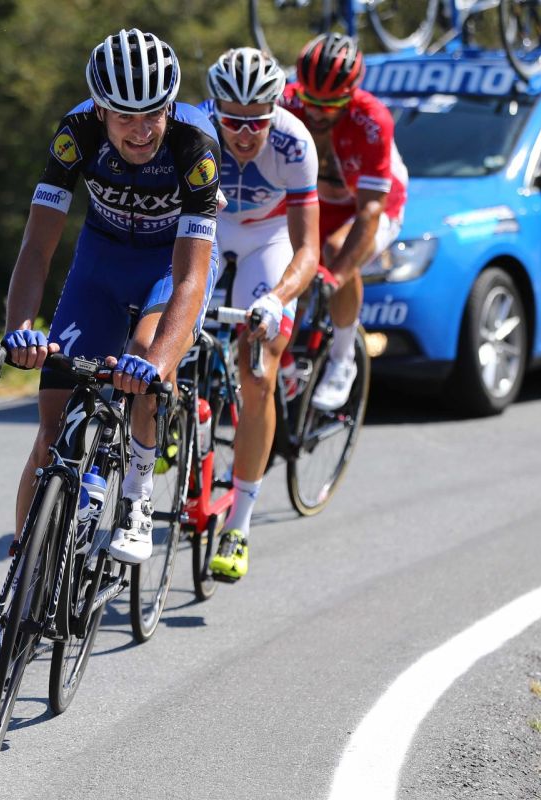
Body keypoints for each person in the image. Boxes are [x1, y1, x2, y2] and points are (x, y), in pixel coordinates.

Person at [0, 28, 222, 680]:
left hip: (168, 269)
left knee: (141, 360)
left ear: (170, 106)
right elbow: (37, 247)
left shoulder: (195, 146)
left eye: (153, 114)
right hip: (100, 266)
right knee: (51, 429)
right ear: (100, 109)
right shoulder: (76, 133)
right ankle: (15, 605)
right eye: (125, 117)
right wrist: (22, 329)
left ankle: (136, 490)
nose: (141, 130)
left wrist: (159, 362)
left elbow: (192, 280)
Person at [198, 47, 320, 582]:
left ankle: (240, 526)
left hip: (269, 236)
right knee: (168, 328)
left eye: (257, 121)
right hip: (209, 226)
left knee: (259, 370)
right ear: (214, 109)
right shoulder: (193, 128)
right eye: (233, 121)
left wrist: (276, 297)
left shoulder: (295, 142)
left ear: (275, 110)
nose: (245, 134)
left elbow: (308, 249)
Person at [280, 32, 407, 411]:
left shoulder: (373, 120)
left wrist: (334, 278)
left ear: (350, 95)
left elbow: (370, 212)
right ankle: (282, 364)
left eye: (332, 103)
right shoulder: (285, 102)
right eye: (311, 100)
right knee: (287, 272)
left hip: (371, 206)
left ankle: (342, 359)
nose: (318, 112)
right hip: (318, 203)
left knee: (339, 253)